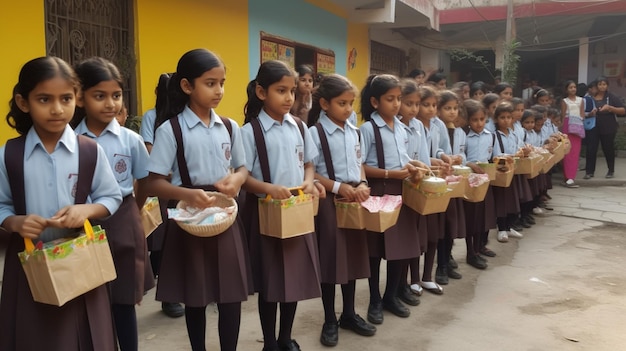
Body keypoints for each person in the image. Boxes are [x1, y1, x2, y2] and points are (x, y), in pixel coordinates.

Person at [0, 56, 122, 350]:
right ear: (23, 102)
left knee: (85, 336)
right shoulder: (9, 155)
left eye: (65, 98)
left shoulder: (89, 151)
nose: (57, 108)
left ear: (76, 99)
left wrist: (86, 209)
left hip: (81, 261)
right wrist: (14, 221)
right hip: (30, 266)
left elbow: (111, 197)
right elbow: (2, 204)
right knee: (34, 336)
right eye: (44, 99)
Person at [146, 48, 251, 351]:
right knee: (196, 297)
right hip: (189, 220)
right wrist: (187, 194)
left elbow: (243, 167)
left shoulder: (229, 127)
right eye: (210, 83)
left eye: (222, 83)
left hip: (225, 217)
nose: (218, 90)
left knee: (231, 296)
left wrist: (237, 179)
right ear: (187, 86)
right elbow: (155, 182)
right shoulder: (171, 130)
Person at [72, 57, 155, 351]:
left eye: (116, 96)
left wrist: (132, 210)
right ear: (80, 98)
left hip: (122, 220)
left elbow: (144, 181)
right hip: (81, 224)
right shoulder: (70, 140)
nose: (110, 104)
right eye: (100, 96)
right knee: (90, 299)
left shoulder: (130, 140)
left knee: (122, 300)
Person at [240, 60, 322, 351]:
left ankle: (286, 336)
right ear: (262, 92)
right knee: (271, 282)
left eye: (292, 91)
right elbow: (243, 178)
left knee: (294, 279)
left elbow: (310, 164)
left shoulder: (300, 126)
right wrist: (269, 189)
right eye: (281, 91)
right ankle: (270, 341)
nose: (289, 98)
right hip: (266, 215)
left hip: (297, 214)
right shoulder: (249, 133)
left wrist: (309, 181)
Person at [306, 74, 376, 347]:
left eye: (350, 103)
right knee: (332, 260)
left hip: (354, 199)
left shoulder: (353, 130)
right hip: (329, 202)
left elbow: (359, 163)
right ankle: (329, 319)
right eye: (341, 103)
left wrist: (362, 182)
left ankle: (349, 313)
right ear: (324, 103)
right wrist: (338, 187)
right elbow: (311, 172)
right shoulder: (315, 133)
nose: (348, 109)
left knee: (353, 258)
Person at [358, 74, 421, 324]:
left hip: (400, 189)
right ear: (375, 102)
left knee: (400, 247)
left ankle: (391, 296)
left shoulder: (401, 128)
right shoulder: (368, 129)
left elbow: (403, 158)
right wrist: (389, 173)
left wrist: (414, 166)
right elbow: (360, 165)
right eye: (390, 99)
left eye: (398, 99)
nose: (396, 105)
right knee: (375, 250)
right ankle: (374, 299)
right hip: (377, 190)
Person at [138, 72, 184, 318]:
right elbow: (149, 147)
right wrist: (164, 170)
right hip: (163, 187)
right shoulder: (152, 117)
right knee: (163, 240)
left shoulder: (183, 116)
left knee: (180, 241)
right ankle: (169, 296)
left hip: (183, 187)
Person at [413, 85, 451, 296]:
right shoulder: (413, 126)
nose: (430, 109)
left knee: (433, 233)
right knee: (416, 235)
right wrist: (430, 162)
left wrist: (444, 158)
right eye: (424, 105)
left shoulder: (438, 125)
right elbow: (416, 155)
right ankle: (414, 279)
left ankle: (428, 276)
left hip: (435, 180)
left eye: (433, 105)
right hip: (418, 182)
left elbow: (438, 149)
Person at [397, 78, 430, 304]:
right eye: (408, 103)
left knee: (414, 237)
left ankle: (409, 282)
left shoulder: (418, 126)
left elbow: (424, 157)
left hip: (417, 185)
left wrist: (427, 171)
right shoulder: (395, 126)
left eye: (416, 104)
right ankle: (399, 285)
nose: (414, 109)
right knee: (400, 241)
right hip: (400, 185)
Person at [435, 90, 466, 285]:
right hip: (439, 179)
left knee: (451, 225)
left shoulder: (459, 131)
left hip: (454, 181)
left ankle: (447, 259)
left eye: (455, 108)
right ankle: (441, 266)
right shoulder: (436, 128)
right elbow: (438, 152)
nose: (452, 112)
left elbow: (461, 153)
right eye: (447, 108)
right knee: (441, 226)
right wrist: (446, 158)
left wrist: (460, 159)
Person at [463, 99, 496, 269]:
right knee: (472, 218)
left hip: (485, 180)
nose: (479, 123)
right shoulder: (465, 137)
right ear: (468, 120)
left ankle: (480, 246)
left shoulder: (490, 135)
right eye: (475, 120)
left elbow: (491, 157)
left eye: (482, 119)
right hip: (470, 181)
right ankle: (471, 252)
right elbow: (462, 160)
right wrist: (469, 165)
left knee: (483, 216)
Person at [491, 101, 528, 243]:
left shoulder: (513, 134)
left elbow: (520, 147)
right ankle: (501, 228)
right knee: (502, 201)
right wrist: (510, 156)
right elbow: (496, 156)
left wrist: (524, 151)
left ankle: (509, 226)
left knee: (513, 200)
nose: (506, 120)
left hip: (513, 172)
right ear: (496, 119)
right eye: (502, 117)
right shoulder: (495, 136)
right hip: (501, 173)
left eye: (508, 117)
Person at [584, 76, 625, 179]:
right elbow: (583, 111)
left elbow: (623, 110)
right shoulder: (590, 97)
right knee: (591, 148)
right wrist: (590, 113)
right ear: (596, 86)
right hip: (593, 125)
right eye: (600, 84)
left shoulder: (611, 97)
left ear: (607, 86)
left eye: (604, 84)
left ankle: (610, 170)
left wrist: (610, 108)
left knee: (608, 148)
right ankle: (589, 171)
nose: (602, 86)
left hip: (608, 126)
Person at [561, 80, 585, 187]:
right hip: (567, 124)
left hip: (578, 126)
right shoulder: (564, 101)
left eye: (574, 87)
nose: (573, 89)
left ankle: (572, 177)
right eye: (570, 87)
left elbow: (582, 114)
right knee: (567, 151)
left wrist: (579, 123)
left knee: (575, 152)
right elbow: (562, 116)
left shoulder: (581, 100)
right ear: (566, 90)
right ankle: (567, 176)